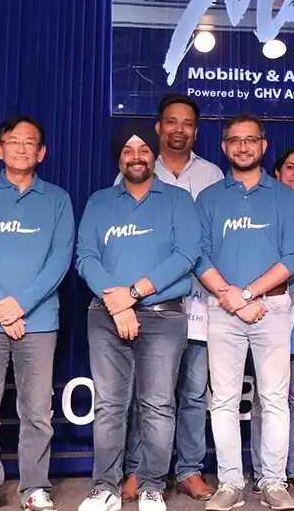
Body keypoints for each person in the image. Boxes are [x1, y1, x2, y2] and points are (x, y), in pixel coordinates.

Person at [76, 121, 200, 511]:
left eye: (143, 149)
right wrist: (118, 305)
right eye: (127, 150)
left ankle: (151, 486)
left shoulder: (178, 200)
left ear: (154, 155)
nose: (136, 157)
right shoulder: (99, 202)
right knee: (109, 405)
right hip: (105, 317)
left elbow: (186, 255)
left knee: (158, 405)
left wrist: (131, 294)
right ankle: (105, 487)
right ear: (119, 158)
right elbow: (85, 257)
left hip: (163, 318)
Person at [0, 116, 75, 511]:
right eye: (13, 141)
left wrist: (21, 305)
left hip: (38, 322)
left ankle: (34, 487)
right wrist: (2, 308)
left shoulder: (57, 199)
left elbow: (59, 260)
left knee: (37, 411)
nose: (21, 148)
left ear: (41, 153)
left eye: (30, 142)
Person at [194, 114, 294, 511]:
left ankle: (273, 482)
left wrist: (246, 294)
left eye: (251, 140)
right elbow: (199, 255)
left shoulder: (283, 197)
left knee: (274, 399)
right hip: (222, 308)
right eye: (235, 140)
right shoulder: (209, 198)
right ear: (224, 147)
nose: (243, 147)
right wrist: (231, 298)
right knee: (223, 401)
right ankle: (230, 483)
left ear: (263, 145)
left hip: (270, 308)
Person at [117, 94, 221, 503]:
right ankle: (138, 470)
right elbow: (120, 238)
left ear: (196, 130)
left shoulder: (212, 175)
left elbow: (211, 242)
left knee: (193, 392)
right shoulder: (137, 165)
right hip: (149, 304)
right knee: (146, 394)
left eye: (187, 123)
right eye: (171, 121)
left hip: (200, 302)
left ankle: (189, 469)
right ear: (159, 127)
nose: (179, 129)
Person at [250, 148, 294, 496]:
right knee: (265, 397)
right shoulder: (262, 207)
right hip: (266, 309)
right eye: (290, 168)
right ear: (276, 172)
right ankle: (261, 470)